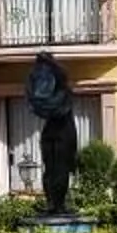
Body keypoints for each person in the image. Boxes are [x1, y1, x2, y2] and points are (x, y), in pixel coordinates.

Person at [26, 50, 78, 213]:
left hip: (57, 131)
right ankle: (56, 205)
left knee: (55, 169)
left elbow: (39, 102)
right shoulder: (59, 88)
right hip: (60, 131)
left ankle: (56, 204)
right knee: (55, 168)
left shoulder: (54, 88)